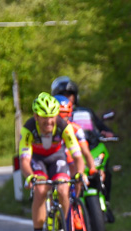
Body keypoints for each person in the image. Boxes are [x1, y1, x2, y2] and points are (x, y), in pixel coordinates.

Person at [19, 92, 86, 231]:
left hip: (57, 158)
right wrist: (30, 177)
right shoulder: (28, 129)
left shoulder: (64, 126)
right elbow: (25, 161)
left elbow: (78, 156)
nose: (48, 121)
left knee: (64, 189)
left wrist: (80, 174)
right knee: (41, 191)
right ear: (35, 116)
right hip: (38, 160)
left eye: (52, 117)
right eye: (43, 117)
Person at [51, 76, 117, 221]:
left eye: (70, 95)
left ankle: (106, 201)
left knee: (107, 171)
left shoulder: (85, 112)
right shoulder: (54, 118)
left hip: (88, 149)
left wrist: (105, 131)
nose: (67, 98)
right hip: (68, 156)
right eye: (63, 95)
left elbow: (98, 126)